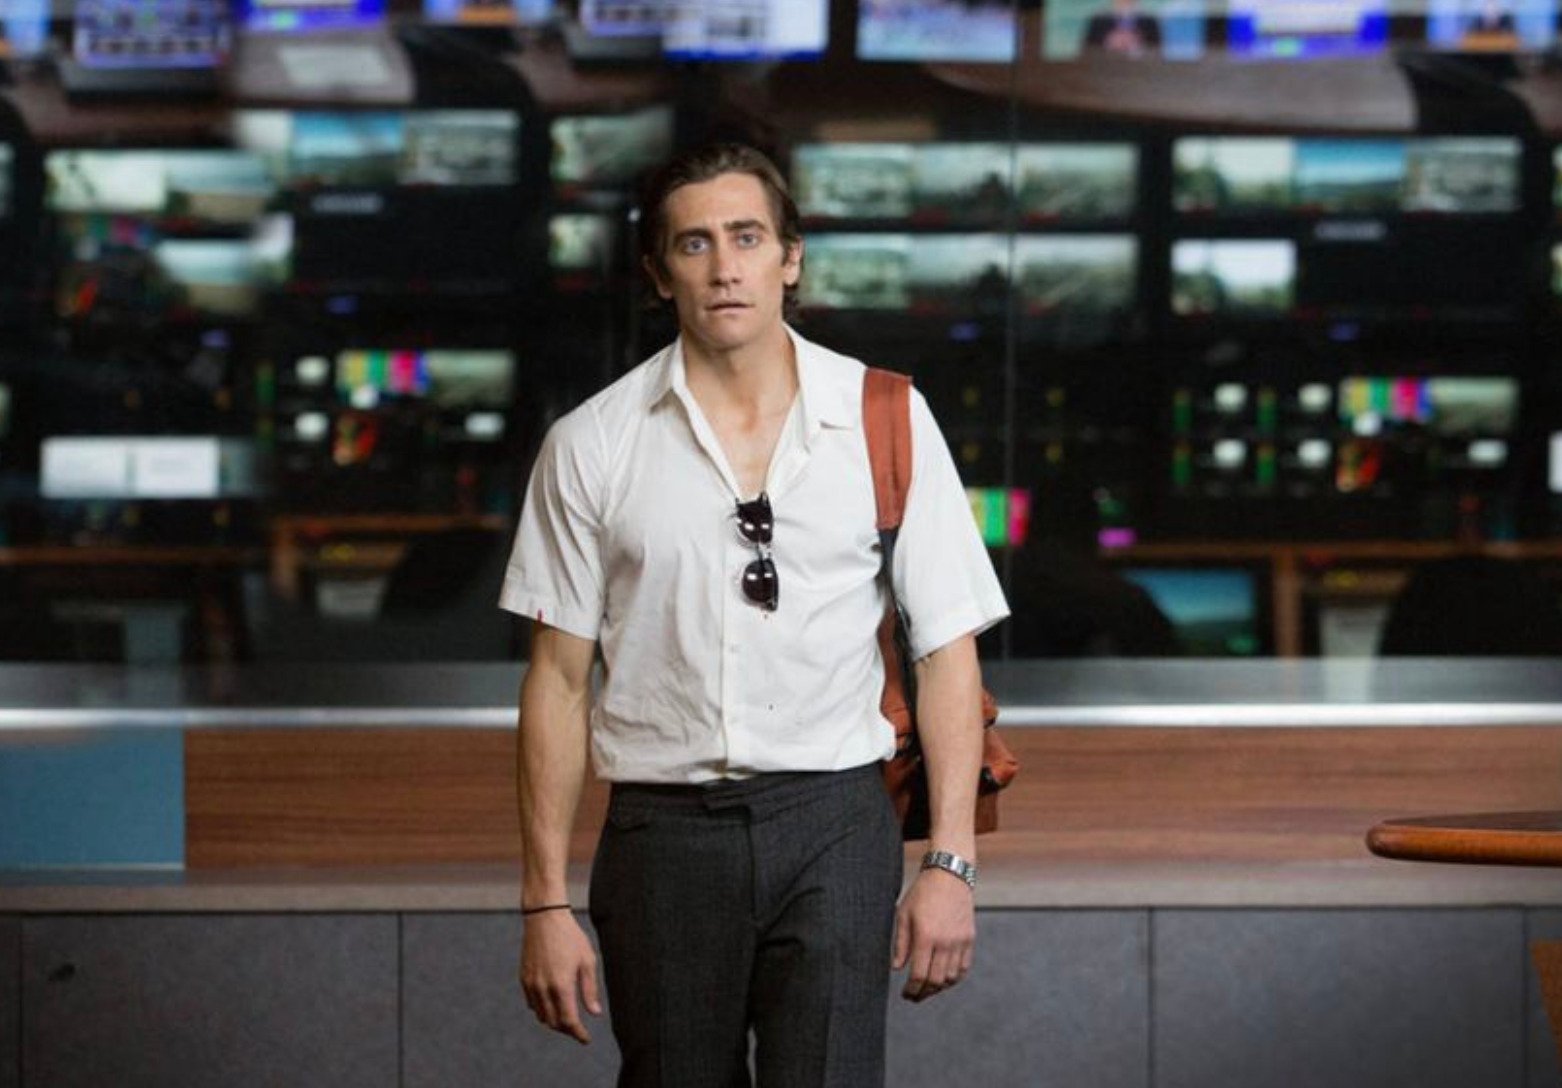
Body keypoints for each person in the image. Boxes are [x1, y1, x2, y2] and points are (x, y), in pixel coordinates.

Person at [500, 142, 1009, 1087]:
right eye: (694, 244)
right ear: (659, 273)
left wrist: (952, 862)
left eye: (747, 237)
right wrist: (542, 903)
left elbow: (949, 651)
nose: (725, 266)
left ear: (791, 257)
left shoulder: (885, 415)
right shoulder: (591, 443)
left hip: (834, 815)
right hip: (661, 832)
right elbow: (558, 680)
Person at [1082, 0, 1162, 57]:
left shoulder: (1150, 18)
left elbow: (1156, 46)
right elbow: (1088, 46)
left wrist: (1139, 41)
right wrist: (1108, 39)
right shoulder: (1097, 17)